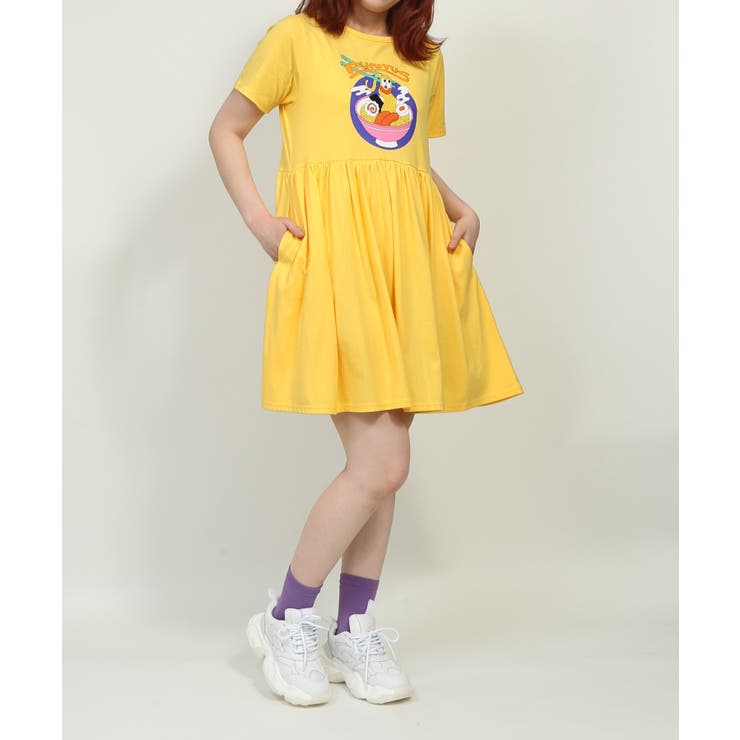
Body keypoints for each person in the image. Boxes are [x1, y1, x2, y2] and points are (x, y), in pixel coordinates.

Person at [208, 0, 524, 707]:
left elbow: (398, 158)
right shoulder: (295, 40)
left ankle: (353, 627)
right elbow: (226, 128)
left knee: (382, 470)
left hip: (407, 265)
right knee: (382, 464)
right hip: (338, 266)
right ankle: (287, 614)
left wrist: (459, 206)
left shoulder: (422, 58)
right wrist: (261, 221)